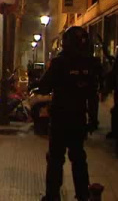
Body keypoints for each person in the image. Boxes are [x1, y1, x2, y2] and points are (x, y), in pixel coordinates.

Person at [39, 27, 98, 201]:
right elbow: (93, 95)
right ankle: (82, 195)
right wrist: (93, 119)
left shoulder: (60, 62)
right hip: (79, 118)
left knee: (56, 159)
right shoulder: (90, 63)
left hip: (60, 118)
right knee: (79, 158)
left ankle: (52, 196)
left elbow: (44, 86)